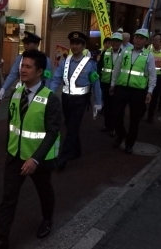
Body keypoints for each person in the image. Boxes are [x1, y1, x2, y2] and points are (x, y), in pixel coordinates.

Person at [0, 49, 62, 249]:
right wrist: (8, 148)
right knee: (8, 198)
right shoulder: (16, 93)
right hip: (15, 156)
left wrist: (36, 159)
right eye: (22, 65)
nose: (22, 70)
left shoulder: (50, 99)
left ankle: (47, 219)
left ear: (40, 71)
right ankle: (2, 238)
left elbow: (52, 132)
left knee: (44, 191)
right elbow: (12, 124)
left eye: (28, 67)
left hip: (38, 159)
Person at [49, 31, 102, 170]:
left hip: (81, 101)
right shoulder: (65, 62)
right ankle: (77, 151)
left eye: (78, 43)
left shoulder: (90, 64)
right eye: (72, 43)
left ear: (84, 45)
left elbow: (96, 83)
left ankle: (62, 159)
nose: (74, 46)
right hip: (66, 99)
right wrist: (49, 94)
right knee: (70, 125)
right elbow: (56, 79)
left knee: (71, 129)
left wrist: (98, 102)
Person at [109, 28, 156, 154]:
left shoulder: (148, 56)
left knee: (135, 119)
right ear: (133, 39)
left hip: (138, 91)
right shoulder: (125, 51)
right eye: (136, 37)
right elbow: (117, 69)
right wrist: (113, 84)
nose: (138, 40)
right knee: (116, 114)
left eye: (141, 38)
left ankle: (129, 143)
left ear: (146, 41)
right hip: (122, 88)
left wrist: (149, 91)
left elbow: (152, 75)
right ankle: (121, 134)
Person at [0, 31, 52, 100]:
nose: (25, 46)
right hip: (21, 91)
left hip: (38, 93)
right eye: (24, 43)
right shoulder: (20, 58)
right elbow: (13, 74)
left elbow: (47, 79)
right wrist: (4, 88)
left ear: (37, 44)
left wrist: (46, 95)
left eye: (28, 43)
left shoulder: (45, 60)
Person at [97, 32, 123, 137]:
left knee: (116, 108)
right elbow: (100, 66)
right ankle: (107, 125)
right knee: (107, 106)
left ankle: (115, 128)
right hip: (106, 82)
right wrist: (98, 78)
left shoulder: (125, 53)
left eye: (117, 41)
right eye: (113, 41)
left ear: (121, 43)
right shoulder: (106, 52)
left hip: (118, 85)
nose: (115, 43)